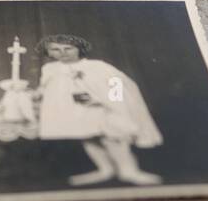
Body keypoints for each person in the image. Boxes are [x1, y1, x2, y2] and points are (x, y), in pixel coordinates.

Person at [34, 34, 164, 186]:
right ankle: (105, 169)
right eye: (55, 49)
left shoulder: (97, 66)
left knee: (112, 138)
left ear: (79, 49)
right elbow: (46, 87)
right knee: (88, 138)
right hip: (75, 111)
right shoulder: (49, 69)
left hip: (100, 108)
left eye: (68, 48)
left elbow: (118, 84)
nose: (62, 53)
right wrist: (37, 94)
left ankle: (128, 171)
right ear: (49, 52)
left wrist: (101, 99)